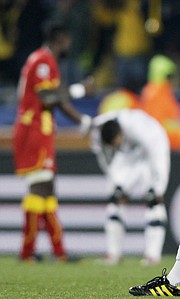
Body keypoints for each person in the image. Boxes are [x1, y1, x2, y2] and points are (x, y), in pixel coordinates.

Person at [13, 21, 93, 262]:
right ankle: (28, 252)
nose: (70, 44)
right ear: (60, 39)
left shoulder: (43, 61)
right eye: (68, 40)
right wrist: (80, 91)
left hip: (41, 130)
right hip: (34, 130)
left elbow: (54, 99)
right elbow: (48, 97)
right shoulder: (43, 61)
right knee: (39, 187)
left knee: (46, 189)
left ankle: (58, 252)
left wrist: (81, 121)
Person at [91, 108, 170, 266]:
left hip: (153, 148)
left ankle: (152, 256)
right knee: (115, 198)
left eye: (115, 143)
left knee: (153, 200)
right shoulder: (99, 132)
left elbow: (157, 151)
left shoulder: (139, 128)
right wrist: (116, 183)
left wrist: (158, 185)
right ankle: (113, 254)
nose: (114, 147)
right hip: (129, 155)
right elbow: (106, 160)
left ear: (121, 133)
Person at [139, 55, 180, 152]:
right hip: (165, 149)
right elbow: (156, 125)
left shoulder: (156, 93)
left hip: (167, 148)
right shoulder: (157, 96)